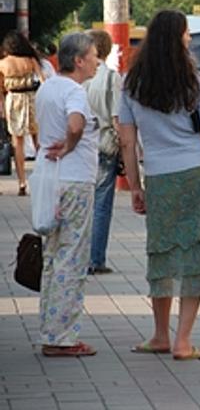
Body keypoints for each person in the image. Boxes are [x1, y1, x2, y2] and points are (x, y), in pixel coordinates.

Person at [118, 10, 200, 360]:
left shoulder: (131, 84)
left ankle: (159, 335)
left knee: (163, 252)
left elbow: (127, 141)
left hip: (159, 177)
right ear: (178, 37)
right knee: (195, 255)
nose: (189, 39)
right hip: (199, 176)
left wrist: (135, 187)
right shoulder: (195, 82)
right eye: (186, 33)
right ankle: (183, 340)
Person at [35, 32, 100, 357]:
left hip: (52, 181)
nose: (97, 61)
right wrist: (71, 144)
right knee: (72, 258)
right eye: (93, 56)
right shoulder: (75, 91)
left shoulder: (47, 87)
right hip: (76, 180)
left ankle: (49, 327)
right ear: (78, 60)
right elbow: (75, 125)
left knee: (54, 255)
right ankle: (63, 336)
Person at [83, 30, 121, 275]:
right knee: (102, 204)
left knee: (83, 203)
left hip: (81, 144)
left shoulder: (79, 78)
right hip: (105, 143)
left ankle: (80, 256)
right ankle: (96, 258)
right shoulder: (111, 78)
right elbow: (118, 118)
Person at [0, 31, 44, 195]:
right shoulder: (31, 60)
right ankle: (43, 175)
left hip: (13, 100)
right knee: (37, 139)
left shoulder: (3, 64)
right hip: (31, 99)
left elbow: (1, 89)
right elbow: (43, 80)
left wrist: (3, 108)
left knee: (17, 142)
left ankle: (22, 182)